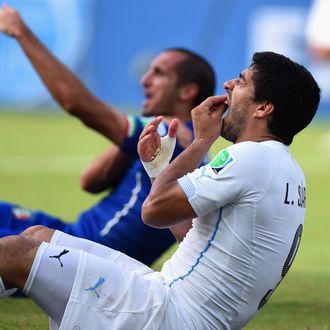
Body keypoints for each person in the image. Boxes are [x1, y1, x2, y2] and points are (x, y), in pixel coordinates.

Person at [0, 51, 320, 329]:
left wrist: (200, 142)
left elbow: (152, 211)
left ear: (263, 107)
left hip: (169, 314)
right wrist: (157, 169)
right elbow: (190, 235)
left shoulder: (248, 158)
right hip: (180, 306)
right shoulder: (287, 170)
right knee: (39, 237)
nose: (228, 85)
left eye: (241, 81)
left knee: (15, 254)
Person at [0, 4, 216, 265]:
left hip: (83, 255)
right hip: (71, 234)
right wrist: (131, 142)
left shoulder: (170, 133)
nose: (144, 80)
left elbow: (77, 103)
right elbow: (90, 181)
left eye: (158, 73)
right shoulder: (176, 140)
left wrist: (22, 32)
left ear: (186, 92)